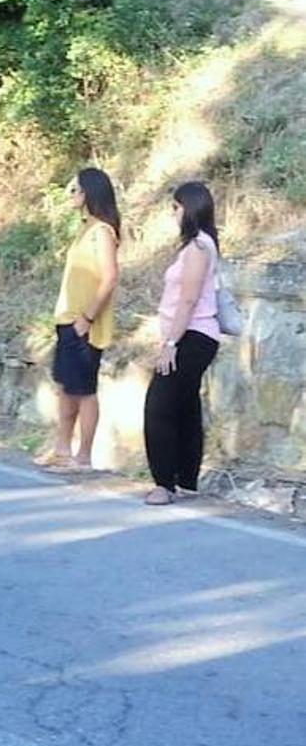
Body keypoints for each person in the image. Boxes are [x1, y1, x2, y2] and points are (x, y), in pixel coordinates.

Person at [144, 182, 224, 506]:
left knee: (159, 406)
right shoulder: (199, 245)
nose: (173, 214)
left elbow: (189, 299)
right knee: (186, 405)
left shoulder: (199, 248)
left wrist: (171, 343)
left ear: (188, 209)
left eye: (176, 207)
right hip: (193, 336)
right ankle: (186, 479)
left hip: (193, 336)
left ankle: (164, 483)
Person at [43, 168, 121, 471]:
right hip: (68, 318)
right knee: (65, 385)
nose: (70, 195)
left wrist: (87, 317)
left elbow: (110, 277)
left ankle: (84, 456)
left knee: (84, 390)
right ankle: (62, 448)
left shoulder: (102, 231)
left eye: (75, 189)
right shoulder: (85, 229)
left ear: (89, 193)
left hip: (85, 323)